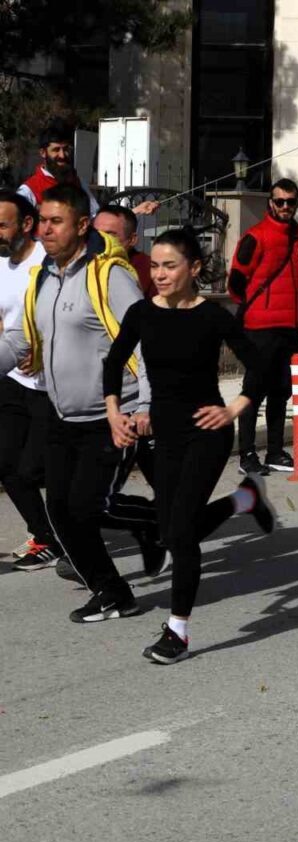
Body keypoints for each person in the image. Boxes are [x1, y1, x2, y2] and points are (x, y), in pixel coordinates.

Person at [103, 229, 276, 664]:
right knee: (171, 530)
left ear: (194, 269)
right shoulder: (143, 313)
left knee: (179, 534)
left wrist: (234, 409)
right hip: (165, 435)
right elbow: (112, 362)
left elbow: (258, 367)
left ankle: (177, 632)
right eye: (155, 266)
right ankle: (244, 499)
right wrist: (115, 415)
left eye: (170, 266)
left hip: (207, 432)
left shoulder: (212, 317)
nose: (159, 274)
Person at [0, 184, 162, 621]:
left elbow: (142, 340)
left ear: (81, 225)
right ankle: (112, 591)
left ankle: (138, 544)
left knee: (83, 507)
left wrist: (144, 405)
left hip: (112, 414)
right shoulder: (43, 279)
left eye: (56, 222)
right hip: (62, 413)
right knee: (59, 512)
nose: (45, 230)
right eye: (43, 221)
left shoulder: (109, 276)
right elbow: (21, 339)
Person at [226, 178, 298, 477]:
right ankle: (246, 453)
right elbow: (235, 283)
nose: (285, 207)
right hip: (260, 328)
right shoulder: (255, 236)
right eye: (280, 201)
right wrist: (258, 309)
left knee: (282, 391)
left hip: (289, 328)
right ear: (270, 203)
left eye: (291, 202)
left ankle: (275, 450)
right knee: (254, 390)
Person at [0, 190, 61, 571]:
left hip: (51, 387)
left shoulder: (48, 262)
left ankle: (72, 527)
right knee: (5, 464)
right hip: (12, 380)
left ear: (26, 225)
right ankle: (47, 536)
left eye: (2, 225)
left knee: (36, 469)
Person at [18, 119, 100, 217]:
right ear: (43, 153)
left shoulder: (78, 182)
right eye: (56, 150)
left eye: (66, 149)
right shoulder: (29, 190)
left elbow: (94, 216)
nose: (62, 155)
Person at [94, 205, 154, 297]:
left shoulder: (150, 271)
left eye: (110, 235)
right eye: (96, 233)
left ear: (132, 240)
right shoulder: (81, 265)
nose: (100, 239)